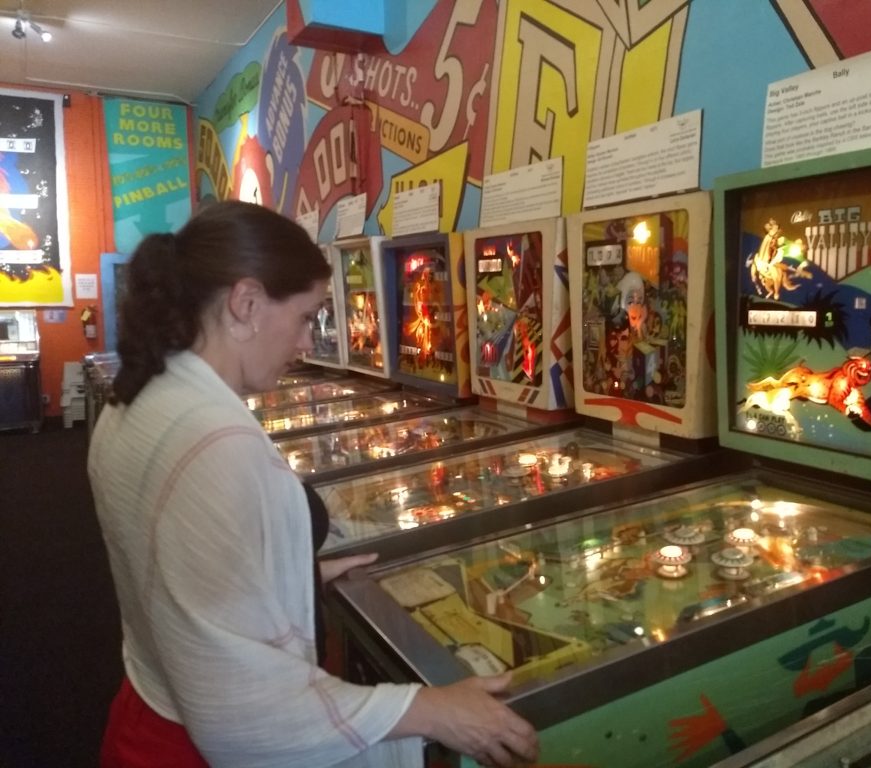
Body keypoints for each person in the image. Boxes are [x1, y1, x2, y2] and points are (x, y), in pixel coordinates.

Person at [89, 200, 538, 768]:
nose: (308, 344)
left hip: (144, 716)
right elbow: (243, 709)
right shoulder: (215, 441)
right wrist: (431, 709)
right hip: (188, 749)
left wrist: (290, 573)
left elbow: (180, 571)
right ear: (245, 303)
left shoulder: (139, 395)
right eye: (305, 317)